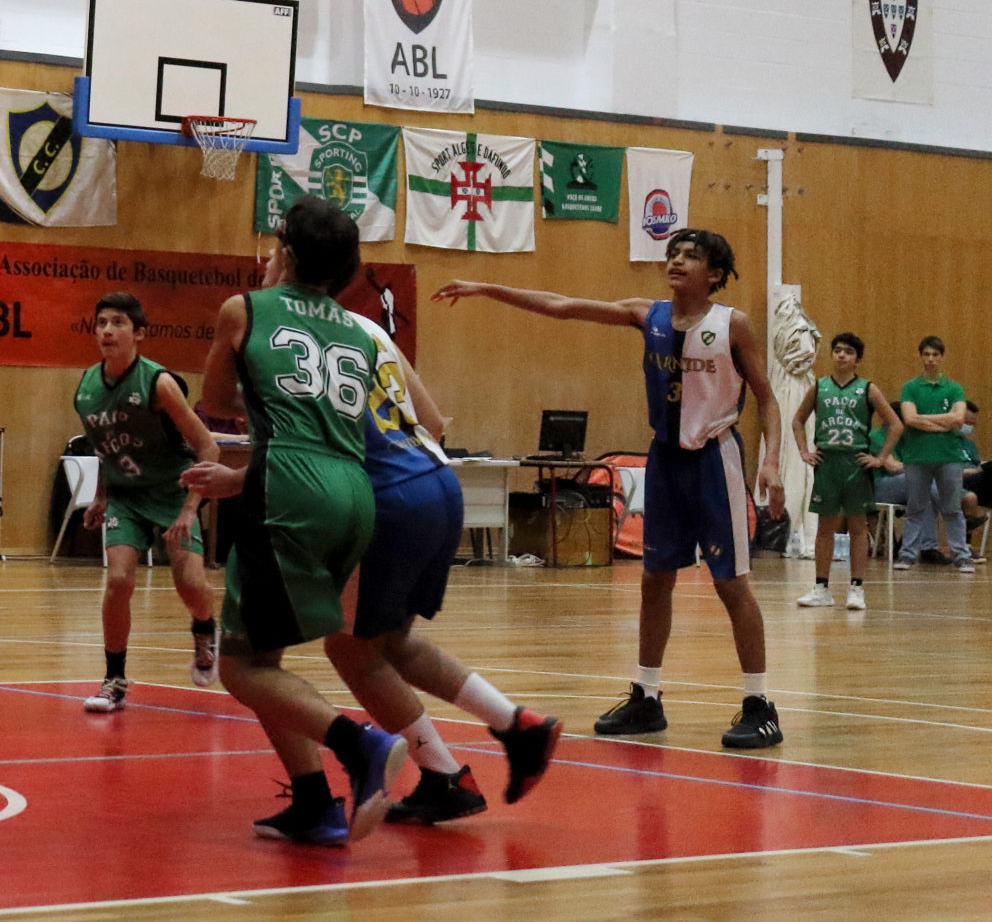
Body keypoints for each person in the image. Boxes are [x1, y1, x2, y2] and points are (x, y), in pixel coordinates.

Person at [435, 227, 787, 749]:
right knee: (653, 580)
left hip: (716, 461)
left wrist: (773, 460)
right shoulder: (647, 315)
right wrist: (489, 288)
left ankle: (760, 704)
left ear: (713, 274)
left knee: (731, 583)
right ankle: (646, 696)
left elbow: (767, 398)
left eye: (691, 256)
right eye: (673, 253)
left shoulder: (732, 324)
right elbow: (561, 305)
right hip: (665, 460)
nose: (677, 261)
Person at [178, 197, 403, 848]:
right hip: (355, 492)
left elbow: (215, 403)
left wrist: (269, 295)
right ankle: (312, 801)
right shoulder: (362, 330)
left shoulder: (246, 309)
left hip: (290, 492)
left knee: (240, 666)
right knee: (266, 654)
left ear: (289, 252)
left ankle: (359, 747)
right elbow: (327, 436)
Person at [321, 306, 561, 822]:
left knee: (350, 650)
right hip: (437, 481)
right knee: (390, 643)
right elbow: (431, 420)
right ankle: (517, 724)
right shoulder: (369, 326)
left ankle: (442, 775)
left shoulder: (292, 332)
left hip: (387, 494)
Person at [70, 291, 222, 709]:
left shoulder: (159, 383)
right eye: (101, 323)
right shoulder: (85, 389)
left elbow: (209, 450)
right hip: (126, 497)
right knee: (119, 580)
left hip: (173, 492)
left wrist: (191, 509)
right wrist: (100, 496)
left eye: (118, 323)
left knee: (189, 584)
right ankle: (114, 679)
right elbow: (106, 449)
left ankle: (206, 629)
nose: (106, 330)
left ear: (139, 333)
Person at [794, 332, 902, 608]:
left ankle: (856, 588)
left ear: (858, 359)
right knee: (824, 528)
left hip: (855, 464)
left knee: (857, 526)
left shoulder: (867, 389)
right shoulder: (819, 387)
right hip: (828, 463)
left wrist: (880, 458)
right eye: (837, 350)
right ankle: (821, 587)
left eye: (848, 352)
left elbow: (896, 424)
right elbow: (798, 420)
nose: (841, 355)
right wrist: (805, 451)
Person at [895, 336, 975, 572]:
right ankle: (908, 554)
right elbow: (909, 418)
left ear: (941, 357)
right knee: (916, 508)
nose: (930, 359)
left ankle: (961, 555)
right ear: (921, 356)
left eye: (935, 355)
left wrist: (924, 419)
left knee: (952, 508)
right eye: (926, 354)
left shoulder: (954, 388)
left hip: (948, 457)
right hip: (917, 457)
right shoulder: (910, 387)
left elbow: (959, 418)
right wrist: (944, 422)